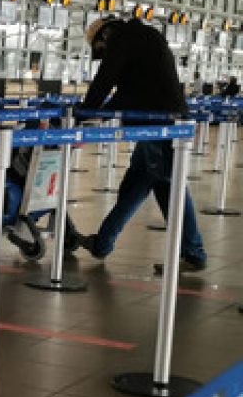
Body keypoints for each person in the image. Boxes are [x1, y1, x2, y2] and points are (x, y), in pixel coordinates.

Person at [77, 17, 207, 272]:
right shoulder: (144, 35)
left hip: (158, 124)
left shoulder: (121, 38)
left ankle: (193, 252)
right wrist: (100, 110)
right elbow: (133, 86)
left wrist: (86, 110)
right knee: (141, 182)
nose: (103, 53)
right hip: (164, 120)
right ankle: (103, 242)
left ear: (104, 36)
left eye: (100, 49)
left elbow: (106, 79)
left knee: (160, 186)